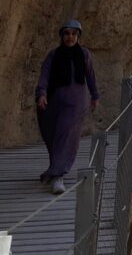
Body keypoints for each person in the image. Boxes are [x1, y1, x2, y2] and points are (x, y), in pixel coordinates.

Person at [35, 20, 99, 194]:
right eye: (67, 33)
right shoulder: (53, 55)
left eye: (74, 34)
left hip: (76, 102)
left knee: (65, 134)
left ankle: (58, 177)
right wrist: (41, 94)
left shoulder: (84, 54)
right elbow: (44, 76)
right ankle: (54, 168)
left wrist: (95, 96)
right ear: (62, 36)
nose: (70, 37)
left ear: (78, 36)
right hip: (54, 100)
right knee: (52, 134)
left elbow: (90, 76)